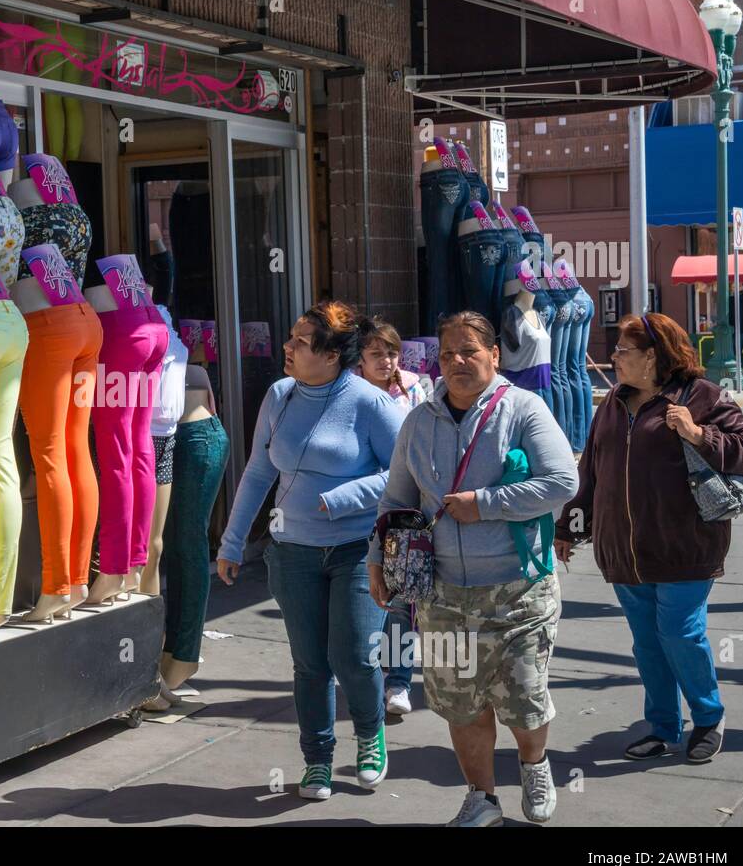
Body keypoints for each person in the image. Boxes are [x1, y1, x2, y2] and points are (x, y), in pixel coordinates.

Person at [367, 311, 578, 827]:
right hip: (440, 594)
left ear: (494, 356)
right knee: (461, 706)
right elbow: (396, 498)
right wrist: (378, 558)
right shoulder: (419, 421)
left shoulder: (524, 409)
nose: (457, 362)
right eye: (446, 354)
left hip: (518, 591)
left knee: (525, 701)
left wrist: (484, 503)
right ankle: (482, 797)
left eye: (468, 351)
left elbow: (562, 482)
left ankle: (533, 765)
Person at [555, 312, 743, 765]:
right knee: (647, 642)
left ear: (652, 356)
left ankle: (708, 718)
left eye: (622, 351)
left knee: (681, 633)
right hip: (626, 550)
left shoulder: (702, 396)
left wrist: (696, 432)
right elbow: (592, 469)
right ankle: (664, 726)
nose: (614, 358)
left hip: (685, 545)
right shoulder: (612, 402)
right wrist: (570, 524)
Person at [217, 302, 405, 800]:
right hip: (292, 551)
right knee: (309, 663)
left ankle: (370, 733)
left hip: (357, 552)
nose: (288, 346)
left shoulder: (371, 403)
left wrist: (343, 498)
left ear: (330, 355)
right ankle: (317, 759)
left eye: (300, 341)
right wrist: (233, 541)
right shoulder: (279, 396)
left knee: (357, 656)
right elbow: (258, 472)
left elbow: (406, 477)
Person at [354, 318, 424, 716]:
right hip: (361, 512)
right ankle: (367, 678)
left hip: (401, 511)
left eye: (391, 352)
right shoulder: (350, 392)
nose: (385, 360)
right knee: (366, 600)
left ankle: (398, 683)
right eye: (375, 353)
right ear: (360, 359)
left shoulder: (415, 390)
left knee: (400, 602)